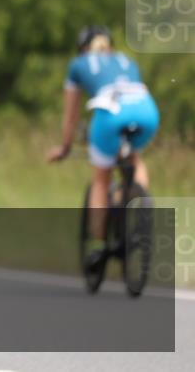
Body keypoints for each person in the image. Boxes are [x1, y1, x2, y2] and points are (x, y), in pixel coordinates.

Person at [47, 25, 159, 270]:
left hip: (111, 115)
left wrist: (65, 147)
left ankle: (99, 244)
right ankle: (138, 206)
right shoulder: (126, 60)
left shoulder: (78, 64)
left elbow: (71, 115)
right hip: (146, 111)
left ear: (83, 48)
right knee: (135, 160)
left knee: (101, 178)